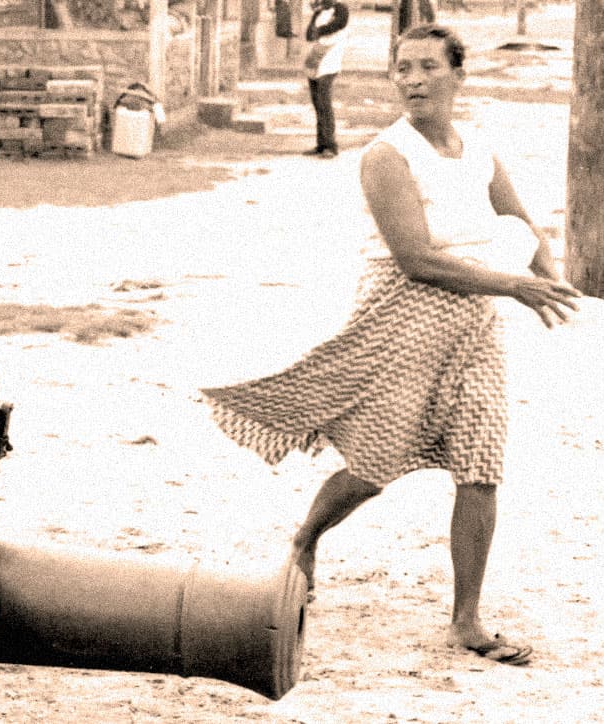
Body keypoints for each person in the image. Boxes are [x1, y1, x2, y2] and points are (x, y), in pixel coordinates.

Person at [202, 24, 580, 668]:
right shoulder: (386, 154)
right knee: (376, 460)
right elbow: (416, 260)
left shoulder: (479, 147)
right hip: (399, 315)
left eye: (429, 67)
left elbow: (517, 219)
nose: (414, 80)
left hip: (475, 319)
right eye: (402, 68)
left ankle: (467, 618)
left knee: (481, 461)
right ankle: (305, 539)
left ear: (458, 74)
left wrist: (549, 274)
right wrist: (516, 285)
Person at [302, 0, 349, 158]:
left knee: (324, 103)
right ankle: (321, 144)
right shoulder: (319, 13)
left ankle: (331, 145)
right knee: (317, 104)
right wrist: (314, 27)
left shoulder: (340, 9)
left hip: (330, 61)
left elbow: (338, 25)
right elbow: (309, 35)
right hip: (316, 59)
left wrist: (319, 30)